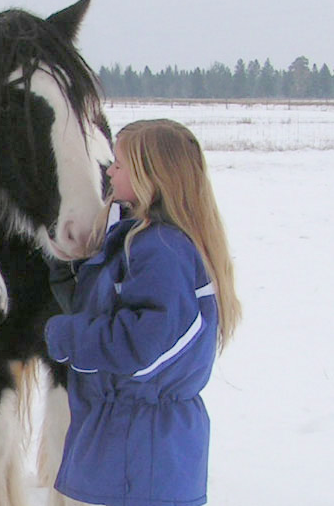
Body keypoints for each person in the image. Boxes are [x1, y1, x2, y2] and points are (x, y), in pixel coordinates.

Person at [44, 118, 241, 506]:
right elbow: (111, 309)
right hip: (129, 440)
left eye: (119, 164)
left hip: (140, 452)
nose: (109, 171)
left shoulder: (162, 249)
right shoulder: (141, 238)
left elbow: (144, 346)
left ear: (151, 175)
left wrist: (64, 336)